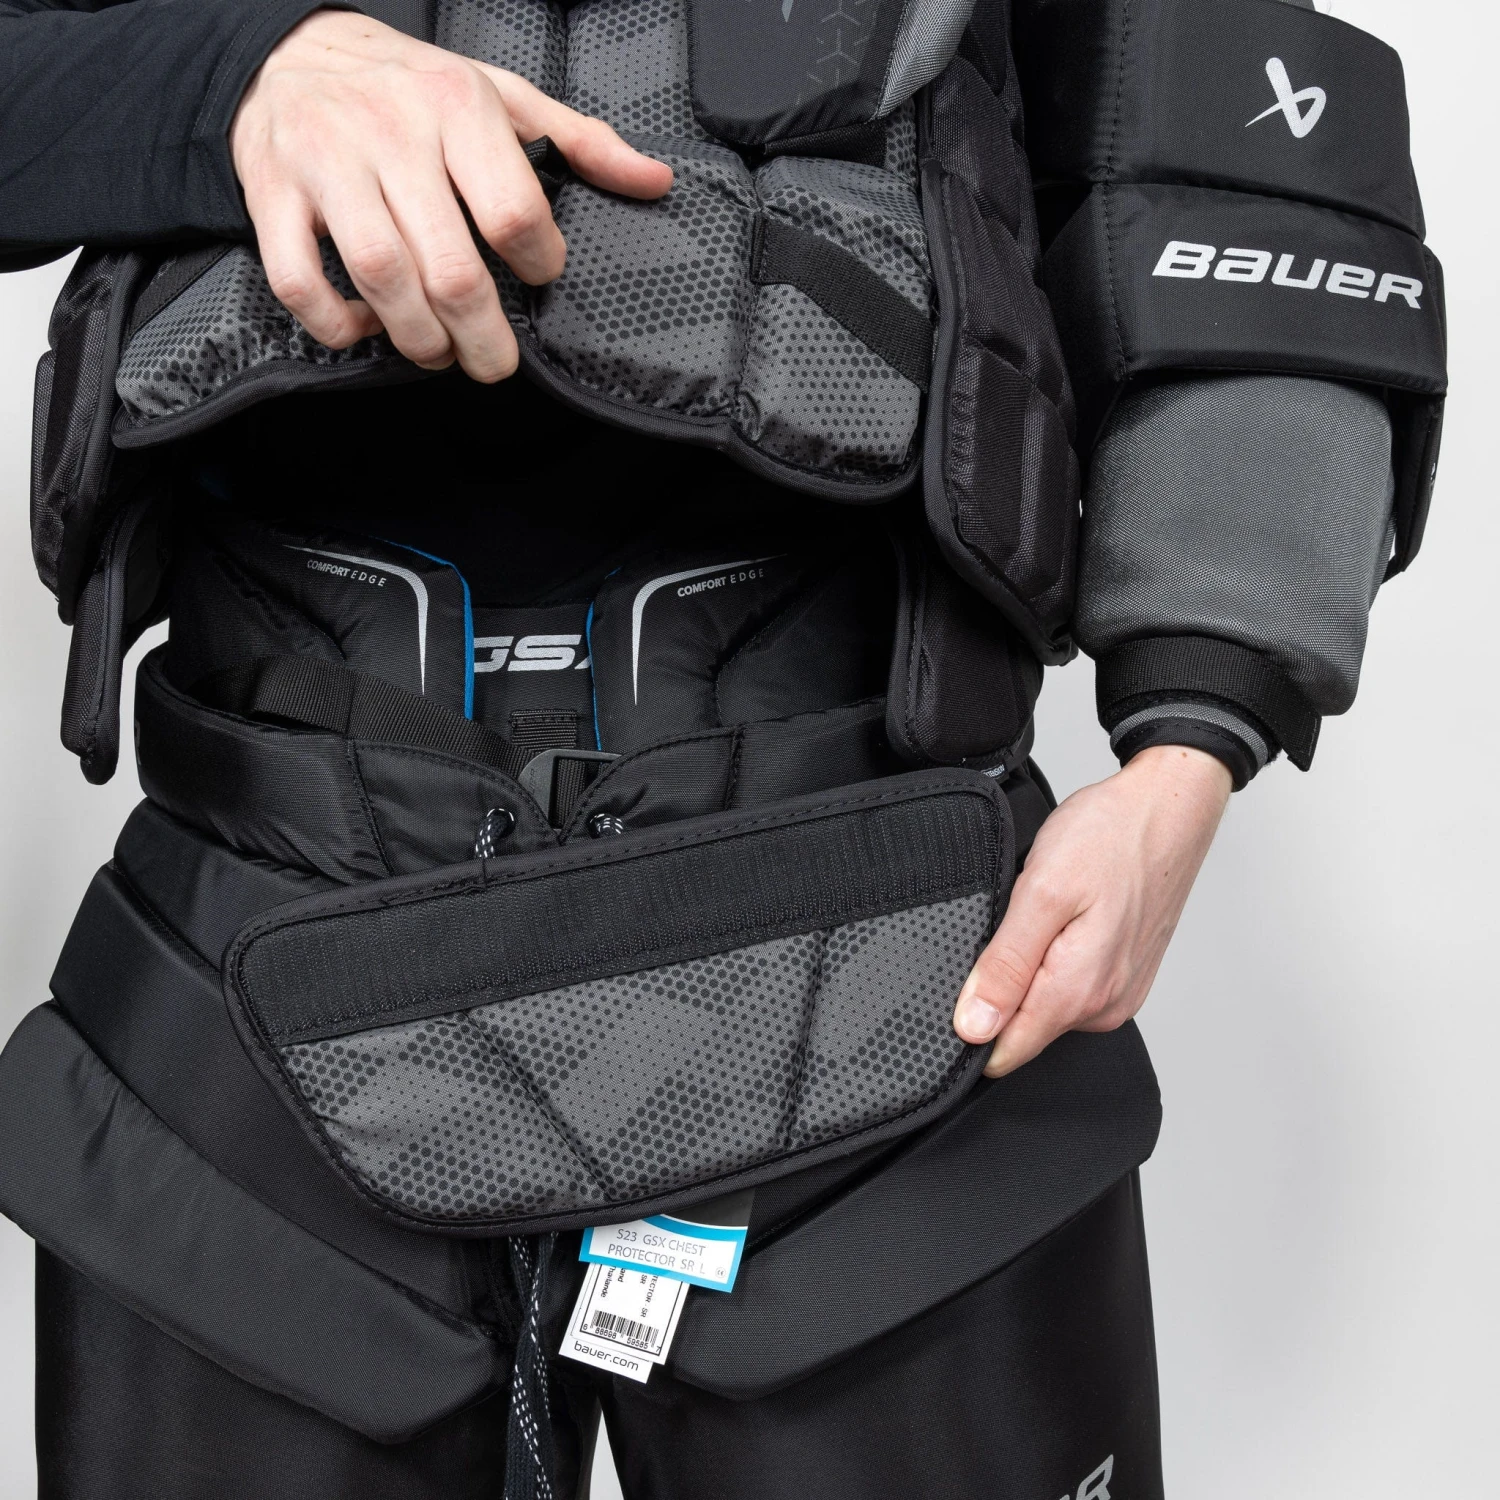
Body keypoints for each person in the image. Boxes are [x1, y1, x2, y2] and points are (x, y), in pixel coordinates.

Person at [0, 1, 1443, 1497]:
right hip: (262, 914)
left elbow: (1228, 155)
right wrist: (239, 80)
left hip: (875, 907)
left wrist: (1191, 745)